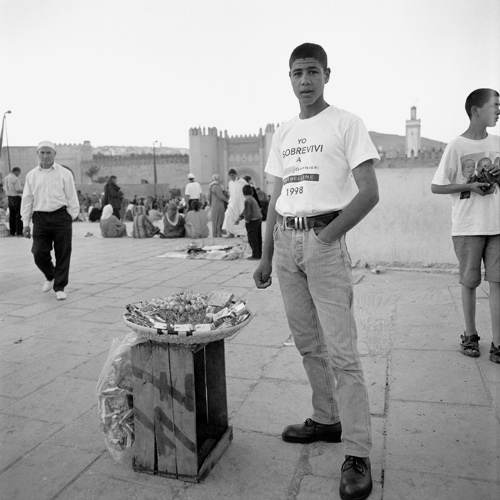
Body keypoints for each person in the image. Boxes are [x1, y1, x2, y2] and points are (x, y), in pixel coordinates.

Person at [253, 43, 380, 500]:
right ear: (289, 78)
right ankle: (327, 419)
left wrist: (327, 238)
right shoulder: (284, 132)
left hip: (323, 241)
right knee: (308, 343)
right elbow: (276, 196)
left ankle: (358, 453)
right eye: (296, 73)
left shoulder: (347, 123)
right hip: (285, 245)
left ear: (327, 74)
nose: (304, 81)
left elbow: (369, 193)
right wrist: (266, 255)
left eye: (312, 71)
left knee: (343, 353)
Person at [431, 88, 500, 364]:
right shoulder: (456, 146)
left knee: (497, 283)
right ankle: (470, 336)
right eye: (494, 105)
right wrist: (470, 186)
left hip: (496, 225)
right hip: (467, 226)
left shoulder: (498, 143)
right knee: (469, 283)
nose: (498, 110)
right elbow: (437, 186)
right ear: (475, 110)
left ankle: (498, 344)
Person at [21, 141, 80, 300]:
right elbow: (27, 199)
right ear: (38, 154)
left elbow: (71, 196)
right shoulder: (31, 175)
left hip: (61, 216)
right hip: (40, 217)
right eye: (42, 152)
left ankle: (59, 287)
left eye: (48, 152)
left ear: (54, 154)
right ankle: (51, 275)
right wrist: (25, 223)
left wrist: (70, 216)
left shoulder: (64, 173)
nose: (45, 156)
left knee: (63, 253)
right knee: (38, 252)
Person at [236, 184, 262, 260]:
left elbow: (247, 212)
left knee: (252, 238)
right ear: (252, 192)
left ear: (243, 193)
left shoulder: (247, 201)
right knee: (258, 238)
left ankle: (255, 255)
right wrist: (240, 217)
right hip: (258, 219)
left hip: (252, 221)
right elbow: (245, 211)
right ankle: (259, 253)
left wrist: (247, 220)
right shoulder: (253, 199)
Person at [222, 169, 247, 237]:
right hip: (232, 203)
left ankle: (240, 233)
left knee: (240, 219)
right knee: (228, 214)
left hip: (240, 203)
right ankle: (231, 232)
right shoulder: (230, 183)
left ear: (236, 174)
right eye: (230, 175)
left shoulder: (242, 182)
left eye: (233, 175)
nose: (231, 177)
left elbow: (247, 190)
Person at [3, 167, 23, 236]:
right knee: (18, 215)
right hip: (16, 197)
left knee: (12, 215)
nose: (19, 174)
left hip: (9, 198)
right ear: (16, 171)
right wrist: (24, 191)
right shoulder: (15, 179)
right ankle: (19, 232)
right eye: (19, 173)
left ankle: (12, 231)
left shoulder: (6, 178)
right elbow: (18, 190)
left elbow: (4, 188)